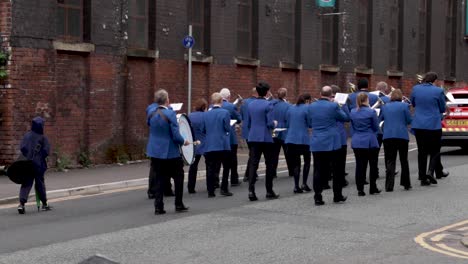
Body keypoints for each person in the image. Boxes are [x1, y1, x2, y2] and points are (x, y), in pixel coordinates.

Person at [147, 89, 189, 215]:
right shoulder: (170, 114)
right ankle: (178, 204)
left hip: (155, 150)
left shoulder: (150, 112)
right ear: (167, 100)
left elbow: (149, 123)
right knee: (179, 177)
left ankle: (158, 206)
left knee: (159, 178)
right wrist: (184, 141)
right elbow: (176, 136)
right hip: (170, 151)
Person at [309, 86, 349, 206]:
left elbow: (309, 122)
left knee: (318, 170)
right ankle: (337, 195)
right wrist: (338, 104)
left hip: (317, 141)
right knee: (336, 170)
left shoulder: (311, 106)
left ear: (320, 94)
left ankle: (317, 197)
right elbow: (345, 118)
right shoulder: (333, 105)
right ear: (331, 95)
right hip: (332, 141)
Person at [410, 72, 449, 186]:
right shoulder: (438, 91)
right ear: (435, 80)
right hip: (433, 125)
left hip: (419, 124)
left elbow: (413, 103)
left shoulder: (416, 89)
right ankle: (430, 172)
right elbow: (442, 108)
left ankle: (422, 178)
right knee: (435, 150)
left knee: (421, 151)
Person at [246, 82, 279, 201]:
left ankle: (251, 191)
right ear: (266, 92)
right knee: (269, 164)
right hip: (265, 137)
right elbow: (270, 124)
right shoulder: (269, 105)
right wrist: (275, 123)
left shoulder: (250, 104)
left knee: (253, 164)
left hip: (253, 136)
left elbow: (248, 123)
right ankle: (269, 190)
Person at [348, 79, 380, 185]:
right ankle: (373, 184)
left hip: (356, 135)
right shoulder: (374, 98)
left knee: (359, 163)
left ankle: (360, 187)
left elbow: (349, 117)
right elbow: (376, 127)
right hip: (370, 137)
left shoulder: (350, 98)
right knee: (372, 162)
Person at [17, 116, 52, 214]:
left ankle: (21, 204)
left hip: (27, 163)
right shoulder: (43, 138)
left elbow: (22, 148)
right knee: (40, 183)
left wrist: (28, 154)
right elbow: (46, 151)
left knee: (26, 183)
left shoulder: (27, 135)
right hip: (38, 164)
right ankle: (44, 204)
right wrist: (40, 157)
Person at [380, 89, 412, 191]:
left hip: (388, 136)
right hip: (402, 135)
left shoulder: (384, 107)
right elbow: (409, 120)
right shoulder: (405, 106)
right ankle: (406, 183)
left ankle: (389, 186)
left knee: (390, 160)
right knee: (404, 160)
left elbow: (380, 119)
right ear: (401, 96)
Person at [203, 93, 233, 197]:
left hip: (210, 144)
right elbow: (227, 128)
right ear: (221, 101)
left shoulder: (206, 114)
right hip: (222, 144)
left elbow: (203, 130)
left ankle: (210, 191)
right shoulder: (225, 112)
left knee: (210, 168)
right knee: (226, 166)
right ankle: (224, 188)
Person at [146, 95, 173, 199]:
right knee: (167, 168)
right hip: (166, 143)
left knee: (154, 168)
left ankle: (152, 190)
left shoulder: (150, 109)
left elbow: (148, 123)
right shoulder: (168, 110)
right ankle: (167, 189)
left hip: (153, 143)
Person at [285, 93, 312, 193]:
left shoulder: (290, 108)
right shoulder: (307, 108)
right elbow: (310, 123)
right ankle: (304, 183)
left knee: (296, 164)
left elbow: (287, 123)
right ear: (307, 100)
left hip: (291, 139)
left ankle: (296, 186)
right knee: (307, 161)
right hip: (303, 139)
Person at [220, 88, 242, 186]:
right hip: (231, 137)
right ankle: (234, 179)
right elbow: (239, 119)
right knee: (233, 159)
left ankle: (216, 181)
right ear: (228, 97)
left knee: (219, 160)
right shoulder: (231, 106)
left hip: (219, 137)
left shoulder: (213, 106)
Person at [271, 87, 293, 178]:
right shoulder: (288, 106)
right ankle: (291, 171)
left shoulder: (272, 104)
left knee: (274, 153)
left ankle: (272, 172)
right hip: (285, 130)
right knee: (288, 153)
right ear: (286, 95)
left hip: (274, 129)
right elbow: (289, 119)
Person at [331, 85, 350, 187]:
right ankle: (340, 179)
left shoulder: (325, 102)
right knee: (340, 160)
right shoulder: (341, 103)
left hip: (328, 135)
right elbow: (347, 117)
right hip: (340, 135)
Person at [187, 98, 207, 194]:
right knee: (210, 165)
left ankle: (191, 187)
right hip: (206, 143)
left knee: (193, 166)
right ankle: (211, 184)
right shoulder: (206, 116)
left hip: (194, 143)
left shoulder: (190, 116)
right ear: (204, 107)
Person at [241, 88, 258, 183]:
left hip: (246, 131)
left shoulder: (244, 102)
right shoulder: (256, 103)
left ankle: (252, 173)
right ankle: (248, 174)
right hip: (254, 131)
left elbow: (242, 116)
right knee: (253, 154)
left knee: (252, 153)